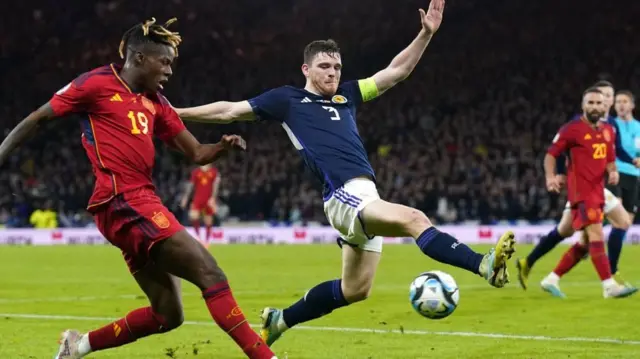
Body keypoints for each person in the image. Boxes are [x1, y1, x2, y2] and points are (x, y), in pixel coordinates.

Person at [177, 0, 515, 347]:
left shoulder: (348, 95)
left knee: (355, 290)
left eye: (337, 67)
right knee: (415, 219)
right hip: (343, 194)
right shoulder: (287, 100)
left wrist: (425, 35)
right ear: (305, 69)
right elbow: (229, 111)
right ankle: (483, 264)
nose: (332, 73)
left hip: (363, 195)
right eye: (324, 66)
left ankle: (280, 320)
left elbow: (396, 72)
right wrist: (175, 112)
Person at [0, 18, 276, 359]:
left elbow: (196, 153)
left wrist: (222, 147)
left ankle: (78, 345)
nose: (170, 71)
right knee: (211, 274)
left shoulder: (156, 102)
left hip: (134, 205)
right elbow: (37, 118)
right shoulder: (95, 83)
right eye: (165, 61)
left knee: (169, 314)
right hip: (122, 200)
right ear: (140, 58)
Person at [516, 81, 632, 289]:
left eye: (606, 98)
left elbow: (611, 153)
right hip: (583, 189)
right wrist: (556, 174)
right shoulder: (574, 127)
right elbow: (557, 152)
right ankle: (610, 280)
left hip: (599, 187)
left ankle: (546, 274)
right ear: (585, 104)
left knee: (570, 231)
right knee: (592, 233)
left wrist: (614, 170)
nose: (602, 102)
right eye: (597, 99)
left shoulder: (610, 127)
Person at [607, 90, 640, 280]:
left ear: (632, 105)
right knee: (616, 213)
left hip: (634, 177)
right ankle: (586, 237)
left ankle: (612, 267)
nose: (620, 105)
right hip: (615, 173)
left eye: (625, 101)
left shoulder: (639, 127)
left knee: (625, 222)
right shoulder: (610, 125)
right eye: (618, 101)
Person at [181, 164, 220, 245]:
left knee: (208, 221)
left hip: (208, 200)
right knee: (193, 216)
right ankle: (198, 237)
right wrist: (185, 198)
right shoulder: (196, 172)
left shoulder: (214, 172)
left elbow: (215, 186)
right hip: (198, 199)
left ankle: (207, 241)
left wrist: (213, 198)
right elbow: (191, 186)